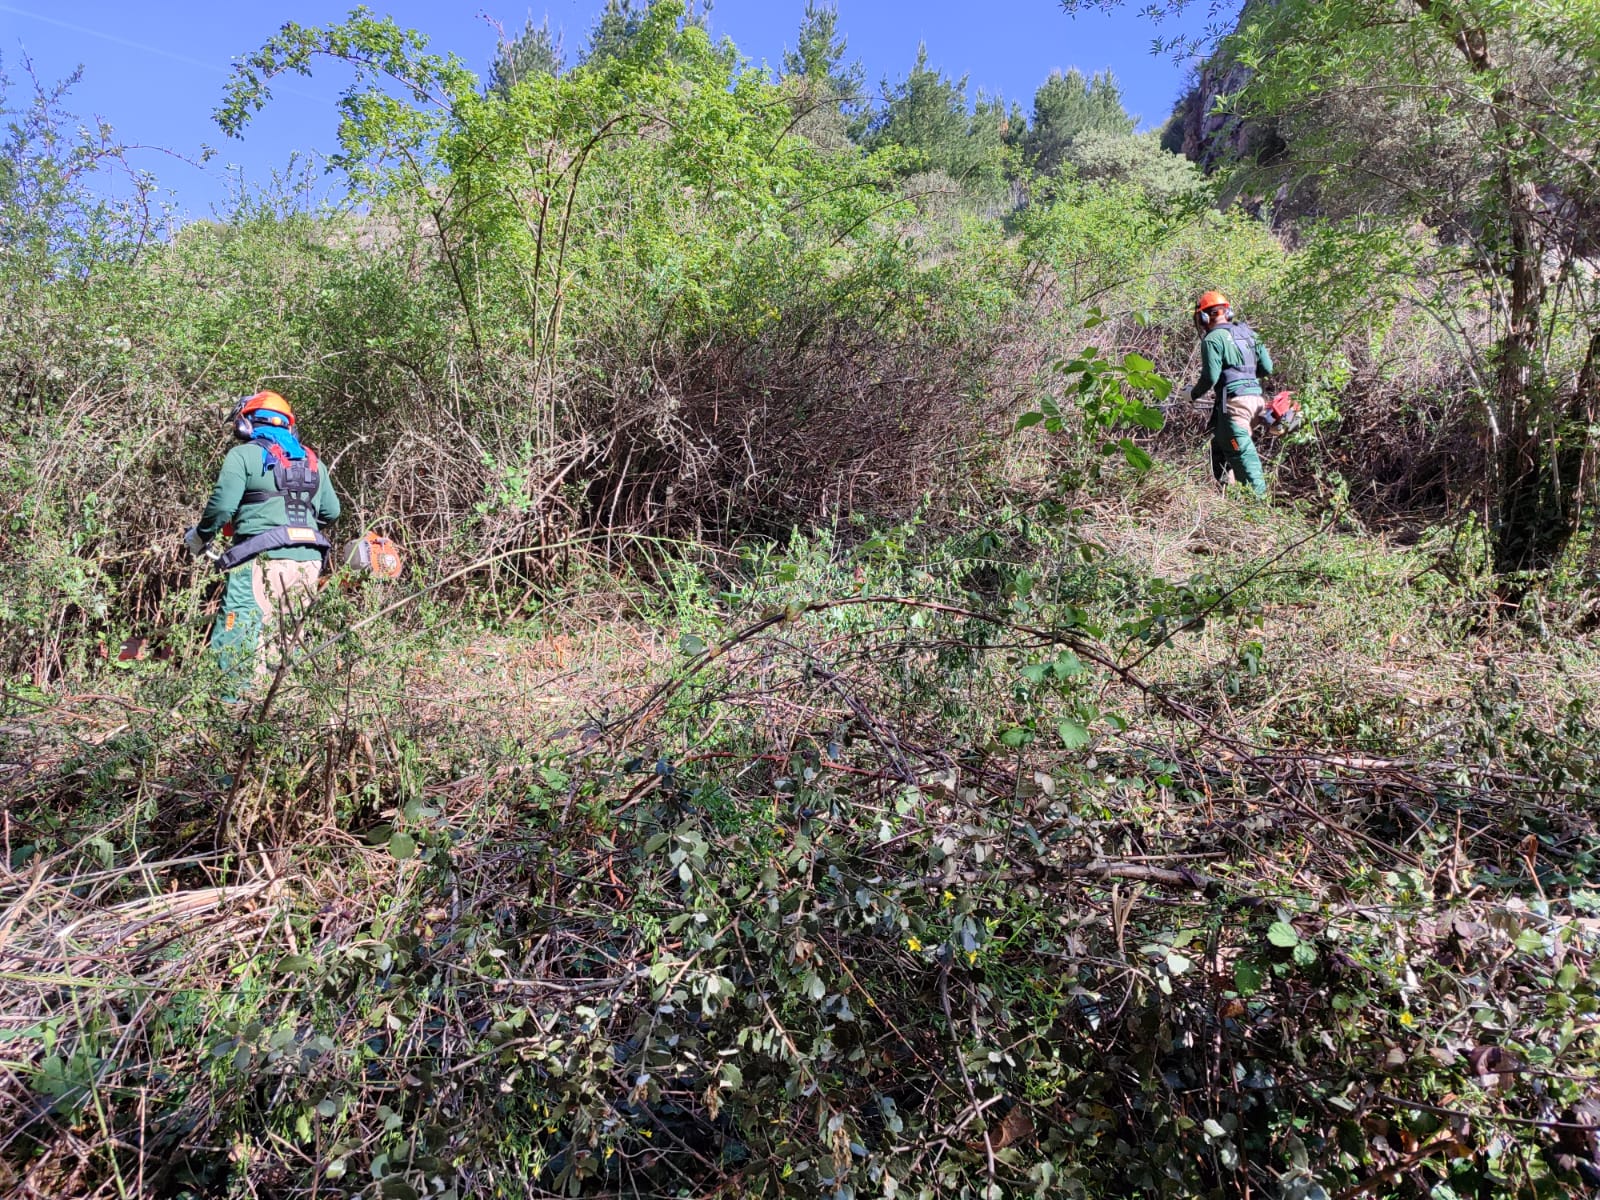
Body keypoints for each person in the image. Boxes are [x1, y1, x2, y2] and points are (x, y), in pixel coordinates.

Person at [183, 391, 340, 699]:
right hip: (309, 561)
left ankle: (228, 709)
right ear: (289, 426)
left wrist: (200, 536)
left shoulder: (243, 455)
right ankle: (278, 710)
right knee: (284, 639)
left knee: (238, 632)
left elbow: (221, 507)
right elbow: (332, 512)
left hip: (260, 559)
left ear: (246, 423)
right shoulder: (313, 462)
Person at [1189, 291, 1276, 497]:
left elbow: (1210, 377)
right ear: (1227, 313)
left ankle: (1259, 507)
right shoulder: (1251, 335)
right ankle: (1227, 499)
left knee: (1242, 455)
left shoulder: (1212, 339)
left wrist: (1192, 394)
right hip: (1256, 401)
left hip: (1235, 406)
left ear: (1203, 317)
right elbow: (1267, 368)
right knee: (1220, 447)